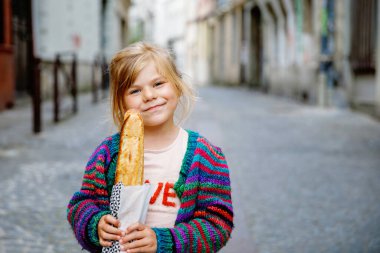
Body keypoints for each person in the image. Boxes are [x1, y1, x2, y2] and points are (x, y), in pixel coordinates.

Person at [67, 42, 234, 253]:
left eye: (158, 84)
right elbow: (81, 205)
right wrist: (95, 224)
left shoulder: (205, 156)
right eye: (135, 90)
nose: (149, 95)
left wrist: (164, 241)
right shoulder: (107, 154)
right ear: (121, 102)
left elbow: (218, 224)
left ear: (177, 85)